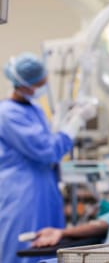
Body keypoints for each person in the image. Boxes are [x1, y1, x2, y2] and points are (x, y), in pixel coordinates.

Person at [0, 52, 96, 263]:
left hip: (44, 189)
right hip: (23, 194)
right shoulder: (8, 114)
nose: (44, 86)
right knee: (24, 249)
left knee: (49, 246)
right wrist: (76, 122)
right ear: (24, 84)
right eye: (40, 83)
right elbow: (47, 151)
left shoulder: (33, 108)